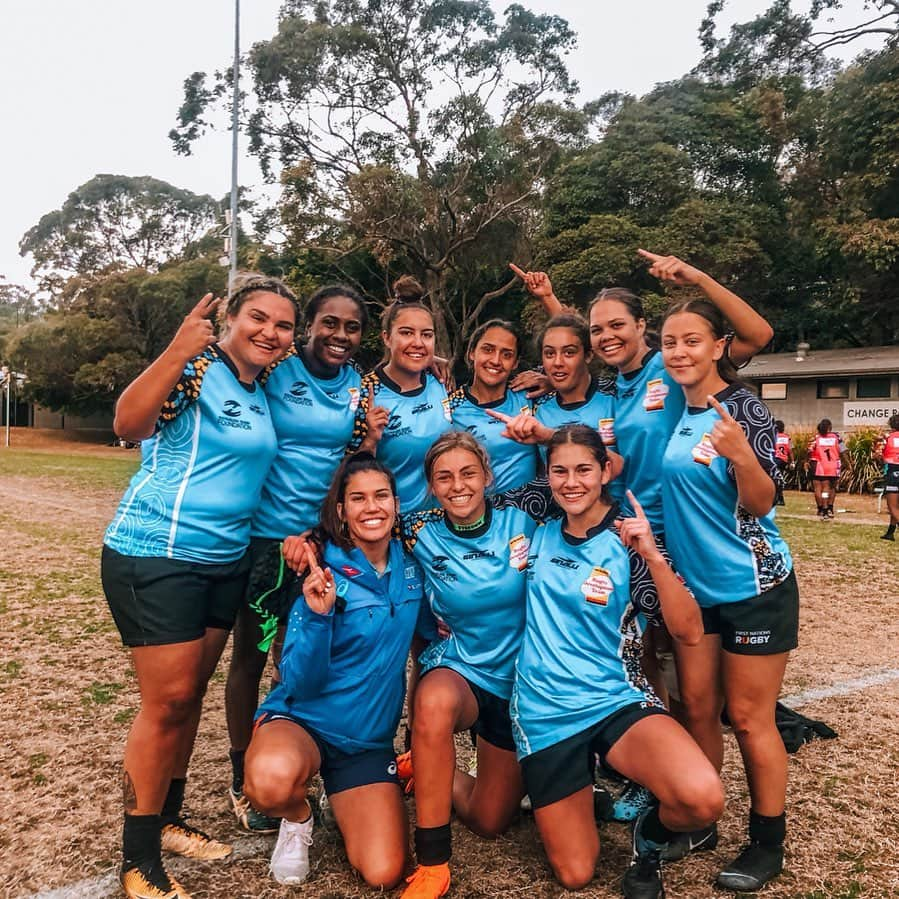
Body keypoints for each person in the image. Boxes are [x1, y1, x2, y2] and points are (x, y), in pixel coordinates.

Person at [101, 274, 298, 899]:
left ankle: (167, 819)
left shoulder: (263, 383)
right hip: (155, 553)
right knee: (168, 703)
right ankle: (138, 860)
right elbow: (127, 423)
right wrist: (178, 349)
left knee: (189, 697)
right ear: (232, 319)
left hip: (225, 560)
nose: (270, 331)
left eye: (283, 324)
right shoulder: (195, 369)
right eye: (258, 318)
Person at [512, 425, 723, 899]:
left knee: (702, 798)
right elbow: (466, 508)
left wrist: (651, 553)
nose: (571, 482)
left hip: (615, 698)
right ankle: (585, 791)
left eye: (584, 469)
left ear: (605, 470)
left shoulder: (630, 539)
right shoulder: (533, 526)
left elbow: (689, 632)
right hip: (544, 711)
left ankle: (648, 839)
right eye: (559, 470)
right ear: (546, 475)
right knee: (575, 874)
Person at [242, 453, 434, 888]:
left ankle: (338, 795)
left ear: (396, 504)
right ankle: (297, 818)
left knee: (384, 872)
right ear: (342, 511)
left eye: (381, 496)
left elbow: (428, 641)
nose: (372, 508)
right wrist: (318, 616)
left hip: (366, 742)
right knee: (270, 782)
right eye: (358, 499)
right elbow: (300, 681)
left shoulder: (414, 570)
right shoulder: (317, 567)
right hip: (305, 722)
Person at [659, 299, 798, 892]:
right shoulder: (674, 407)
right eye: (669, 342)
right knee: (695, 705)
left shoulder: (741, 409)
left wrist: (741, 454)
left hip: (753, 586)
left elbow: (763, 504)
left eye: (691, 341)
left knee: (747, 717)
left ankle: (768, 842)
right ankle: (701, 819)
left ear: (719, 347)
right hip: (697, 592)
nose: (679, 352)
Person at [225, 284, 369, 833]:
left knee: (304, 655)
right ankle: (244, 776)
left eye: (351, 327)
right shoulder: (275, 371)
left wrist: (322, 529)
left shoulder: (360, 384)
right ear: (308, 325)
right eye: (328, 323)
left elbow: (353, 457)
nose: (339, 335)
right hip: (267, 540)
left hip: (323, 542)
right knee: (252, 656)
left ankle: (299, 765)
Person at [398, 432, 539, 899]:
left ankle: (426, 766)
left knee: (489, 820)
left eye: (467, 473)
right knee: (433, 702)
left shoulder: (525, 519)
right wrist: (306, 541)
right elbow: (355, 522)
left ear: (486, 476)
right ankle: (434, 863)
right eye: (444, 477)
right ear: (431, 487)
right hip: (462, 671)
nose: (458, 486)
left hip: (519, 686)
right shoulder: (416, 530)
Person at [356, 276, 452, 513]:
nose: (418, 343)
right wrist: (369, 441)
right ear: (387, 337)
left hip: (445, 526)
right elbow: (349, 473)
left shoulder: (440, 381)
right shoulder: (366, 393)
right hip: (394, 529)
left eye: (427, 335)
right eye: (407, 333)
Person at [445, 320, 539, 493]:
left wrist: (549, 381)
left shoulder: (530, 397)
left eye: (507, 354)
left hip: (528, 511)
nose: (496, 360)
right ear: (472, 352)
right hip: (478, 514)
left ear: (516, 363)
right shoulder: (450, 408)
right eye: (488, 350)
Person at [808, 419, 845, 519]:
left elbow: (809, 451)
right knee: (831, 488)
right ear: (829, 427)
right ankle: (829, 507)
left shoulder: (815, 438)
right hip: (833, 465)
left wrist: (806, 461)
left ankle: (821, 508)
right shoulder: (837, 437)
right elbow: (843, 450)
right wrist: (848, 463)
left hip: (818, 465)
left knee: (818, 488)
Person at [875, 413, 899, 541]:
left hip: (893, 469)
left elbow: (878, 456)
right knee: (897, 506)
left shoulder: (887, 437)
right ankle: (890, 532)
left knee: (892, 506)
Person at [773, 421, 793, 507]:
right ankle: (780, 498)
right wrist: (792, 461)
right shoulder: (787, 437)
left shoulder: (773, 437)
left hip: (775, 459)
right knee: (779, 478)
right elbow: (790, 451)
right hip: (783, 460)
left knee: (774, 479)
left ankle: (778, 498)